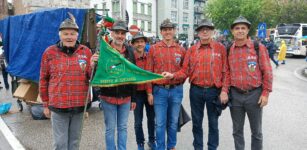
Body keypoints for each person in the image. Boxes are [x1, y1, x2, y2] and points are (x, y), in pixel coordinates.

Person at [162, 19, 230, 150]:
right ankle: (198, 147)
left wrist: (224, 91)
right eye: (202, 29)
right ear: (197, 32)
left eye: (208, 29)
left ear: (212, 31)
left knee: (213, 123)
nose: (205, 31)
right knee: (197, 123)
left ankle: (212, 147)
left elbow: (226, 71)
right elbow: (185, 70)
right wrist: (173, 75)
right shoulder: (192, 50)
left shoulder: (220, 48)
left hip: (214, 91)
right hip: (196, 91)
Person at [39, 17, 92, 150]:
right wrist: (45, 104)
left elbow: (92, 77)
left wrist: (95, 65)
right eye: (66, 33)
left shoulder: (86, 52)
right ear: (60, 35)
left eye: (72, 34)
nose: (69, 37)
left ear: (77, 35)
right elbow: (43, 80)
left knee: (74, 143)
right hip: (58, 107)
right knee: (60, 144)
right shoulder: (49, 52)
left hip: (79, 106)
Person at [90, 20, 137, 150]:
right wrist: (93, 64)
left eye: (122, 33)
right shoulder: (103, 50)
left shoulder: (129, 51)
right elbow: (95, 76)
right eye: (117, 32)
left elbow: (133, 75)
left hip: (125, 97)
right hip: (108, 97)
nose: (120, 36)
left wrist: (134, 98)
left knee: (122, 128)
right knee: (110, 129)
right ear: (112, 33)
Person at [228, 16, 273, 150]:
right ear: (232, 31)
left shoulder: (258, 47)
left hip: (255, 95)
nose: (240, 31)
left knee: (257, 132)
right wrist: (225, 91)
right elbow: (227, 73)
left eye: (243, 28)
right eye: (237, 28)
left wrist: (265, 93)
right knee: (237, 131)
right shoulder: (229, 49)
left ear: (248, 30)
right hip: (235, 95)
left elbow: (268, 72)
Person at [145, 19, 186, 150]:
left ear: (174, 31)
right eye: (165, 29)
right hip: (159, 91)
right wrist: (149, 92)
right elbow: (148, 72)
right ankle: (160, 147)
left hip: (176, 90)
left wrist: (175, 77)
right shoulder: (153, 49)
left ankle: (171, 146)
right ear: (161, 32)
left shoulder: (181, 49)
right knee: (160, 123)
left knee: (173, 122)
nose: (168, 32)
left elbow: (185, 71)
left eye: (170, 29)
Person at [131, 32, 156, 150]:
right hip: (136, 94)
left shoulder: (150, 57)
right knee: (137, 121)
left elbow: (150, 76)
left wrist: (150, 93)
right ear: (133, 44)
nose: (140, 44)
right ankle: (140, 142)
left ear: (145, 43)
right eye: (137, 42)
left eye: (141, 41)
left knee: (151, 118)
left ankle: (152, 140)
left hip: (149, 91)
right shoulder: (130, 59)